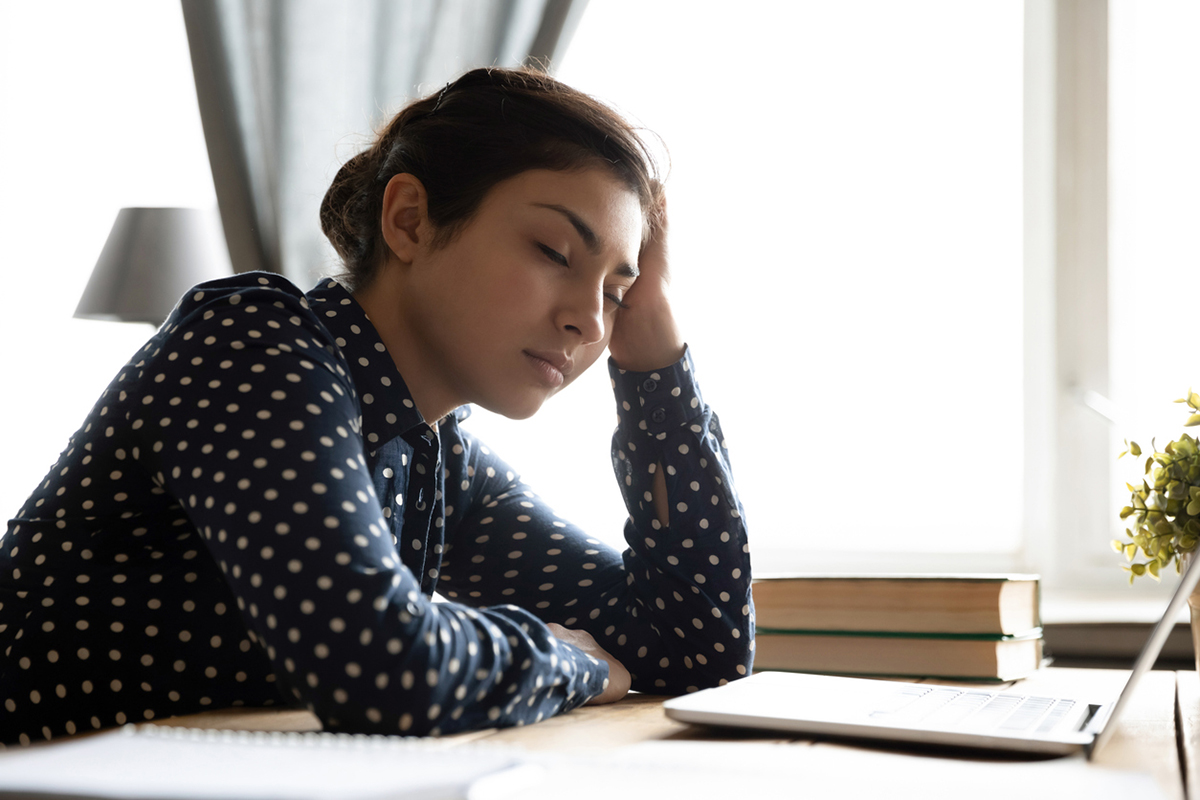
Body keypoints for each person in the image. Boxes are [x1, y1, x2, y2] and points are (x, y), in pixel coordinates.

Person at [0, 67, 753, 747]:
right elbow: (382, 667)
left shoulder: (435, 452)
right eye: (556, 252)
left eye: (616, 293)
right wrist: (570, 659)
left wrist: (657, 371)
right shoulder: (252, 345)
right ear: (408, 221)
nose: (592, 321)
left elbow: (698, 647)